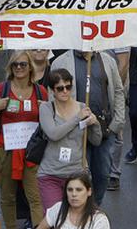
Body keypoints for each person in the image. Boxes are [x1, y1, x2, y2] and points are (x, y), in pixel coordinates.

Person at [0, 52, 48, 229]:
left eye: (22, 64)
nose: (19, 68)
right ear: (10, 68)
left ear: (30, 67)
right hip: (5, 149)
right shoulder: (1, 89)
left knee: (35, 196)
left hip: (31, 152)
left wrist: (47, 111)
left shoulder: (40, 91)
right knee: (8, 196)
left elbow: (50, 121)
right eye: (15, 65)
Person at [37, 69, 102, 211]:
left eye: (68, 87)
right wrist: (77, 118)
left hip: (77, 175)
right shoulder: (46, 108)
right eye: (60, 88)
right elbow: (53, 134)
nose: (65, 91)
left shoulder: (82, 107)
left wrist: (95, 124)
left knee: (77, 220)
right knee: (55, 219)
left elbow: (96, 141)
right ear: (52, 90)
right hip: (51, 174)